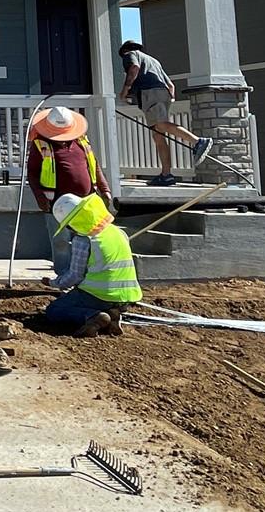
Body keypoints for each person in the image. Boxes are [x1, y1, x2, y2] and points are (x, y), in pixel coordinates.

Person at [26, 105, 114, 280]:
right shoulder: (41, 145)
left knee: (88, 239)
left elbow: (94, 166)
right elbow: (33, 174)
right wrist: (40, 198)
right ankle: (64, 276)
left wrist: (105, 189)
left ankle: (86, 276)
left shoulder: (82, 142)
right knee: (61, 242)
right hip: (57, 204)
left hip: (86, 202)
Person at [40, 192, 142, 337]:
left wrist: (53, 282)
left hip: (98, 295)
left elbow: (75, 276)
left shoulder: (83, 240)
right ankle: (112, 313)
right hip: (125, 296)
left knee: (54, 310)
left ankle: (93, 316)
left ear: (73, 222)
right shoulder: (117, 231)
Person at [117, 40, 211, 186]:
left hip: (151, 93)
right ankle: (166, 175)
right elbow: (171, 85)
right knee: (158, 135)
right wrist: (169, 99)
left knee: (160, 125)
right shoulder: (153, 61)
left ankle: (198, 141)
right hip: (162, 93)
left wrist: (125, 90)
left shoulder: (130, 55)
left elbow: (134, 68)